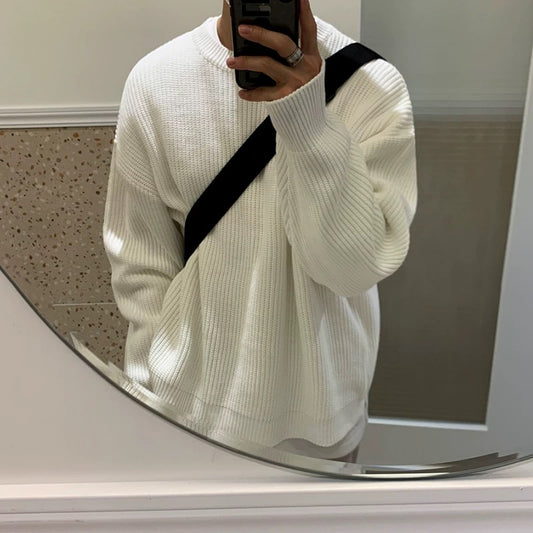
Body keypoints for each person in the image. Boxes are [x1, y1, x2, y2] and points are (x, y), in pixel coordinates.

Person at [103, 0, 417, 461]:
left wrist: (308, 125)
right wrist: (155, 389)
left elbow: (351, 270)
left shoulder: (373, 87)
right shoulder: (155, 81)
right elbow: (139, 258)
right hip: (186, 414)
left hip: (321, 421)